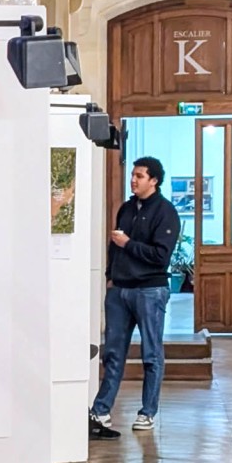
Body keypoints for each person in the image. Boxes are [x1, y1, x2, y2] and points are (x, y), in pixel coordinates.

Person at [89, 155, 180, 439]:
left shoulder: (166, 213)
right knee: (113, 353)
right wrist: (110, 277)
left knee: (151, 354)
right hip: (120, 291)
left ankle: (147, 412)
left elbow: (160, 257)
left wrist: (128, 244)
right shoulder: (126, 209)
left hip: (150, 291)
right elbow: (113, 247)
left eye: (139, 176)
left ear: (154, 180)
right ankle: (100, 412)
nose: (133, 180)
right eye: (132, 174)